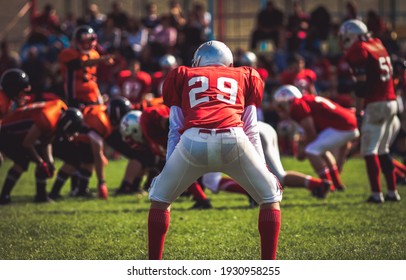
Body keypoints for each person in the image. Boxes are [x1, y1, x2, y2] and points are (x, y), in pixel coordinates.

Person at [146, 40, 282, 260]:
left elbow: (175, 128)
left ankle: (154, 266)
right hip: (234, 139)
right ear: (228, 62)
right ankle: (269, 265)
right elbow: (251, 128)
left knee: (160, 200)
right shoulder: (245, 75)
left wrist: (169, 166)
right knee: (270, 197)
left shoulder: (182, 74)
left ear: (198, 61)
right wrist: (263, 167)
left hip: (193, 141)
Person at [339, 19, 401, 202]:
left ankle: (376, 194)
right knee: (384, 149)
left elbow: (361, 85)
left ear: (351, 36)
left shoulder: (358, 49)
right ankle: (392, 192)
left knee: (369, 150)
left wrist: (358, 111)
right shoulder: (377, 43)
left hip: (376, 103)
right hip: (391, 101)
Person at [201, 120, 332, 205]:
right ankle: (317, 184)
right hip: (262, 126)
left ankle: (253, 192)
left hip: (243, 132)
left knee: (211, 181)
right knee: (277, 174)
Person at [120, 106, 212, 209]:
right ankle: (201, 199)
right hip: (193, 139)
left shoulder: (148, 118)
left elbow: (168, 121)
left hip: (196, 132)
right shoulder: (149, 137)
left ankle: (202, 199)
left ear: (135, 129)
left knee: (211, 181)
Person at [273, 85, 360, 192]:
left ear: (287, 101)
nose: (281, 110)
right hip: (348, 123)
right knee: (320, 150)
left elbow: (311, 133)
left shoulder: (297, 105)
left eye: (281, 106)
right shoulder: (306, 100)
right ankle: (336, 184)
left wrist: (302, 149)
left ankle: (326, 185)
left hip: (343, 126)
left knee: (311, 150)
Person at [0, 100, 83, 205]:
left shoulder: (57, 116)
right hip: (6, 132)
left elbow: (46, 143)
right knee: (22, 161)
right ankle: (4, 196)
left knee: (43, 162)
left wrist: (49, 162)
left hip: (18, 134)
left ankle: (41, 196)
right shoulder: (47, 118)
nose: (70, 136)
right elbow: (27, 144)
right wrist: (40, 162)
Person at [58, 25, 114, 108]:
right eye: (85, 41)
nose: (88, 43)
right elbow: (80, 64)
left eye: (90, 40)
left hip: (93, 93)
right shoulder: (68, 53)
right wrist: (101, 60)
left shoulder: (94, 54)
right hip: (75, 95)